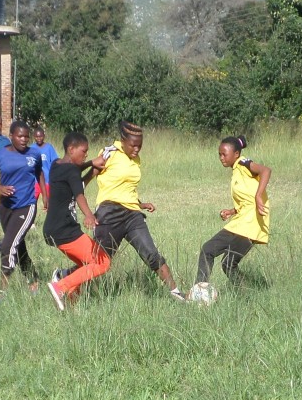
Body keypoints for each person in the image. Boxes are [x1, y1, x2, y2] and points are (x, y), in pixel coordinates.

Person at [91, 121, 184, 300]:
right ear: (123, 141)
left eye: (140, 146)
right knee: (98, 262)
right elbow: (85, 179)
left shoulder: (136, 159)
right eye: (133, 145)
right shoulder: (109, 153)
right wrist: (85, 210)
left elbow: (127, 188)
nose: (136, 149)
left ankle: (177, 294)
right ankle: (66, 279)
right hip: (109, 213)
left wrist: (140, 204)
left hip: (133, 214)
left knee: (151, 254)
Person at [190, 136, 271, 299]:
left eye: (224, 154)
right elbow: (245, 200)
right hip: (242, 221)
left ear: (236, 154)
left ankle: (199, 294)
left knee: (208, 250)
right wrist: (231, 211)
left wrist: (258, 195)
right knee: (227, 263)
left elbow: (266, 170)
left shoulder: (243, 163)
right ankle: (246, 294)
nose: (221, 158)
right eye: (219, 154)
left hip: (251, 223)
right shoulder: (236, 171)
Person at [43, 132, 110, 311]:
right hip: (65, 230)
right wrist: (89, 214)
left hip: (52, 230)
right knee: (103, 262)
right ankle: (60, 286)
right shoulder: (72, 170)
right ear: (71, 149)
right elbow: (79, 194)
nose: (86, 155)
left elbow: (75, 183)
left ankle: (70, 304)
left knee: (85, 266)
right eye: (84, 151)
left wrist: (91, 168)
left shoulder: (56, 166)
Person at [0, 120, 47, 299]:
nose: (23, 140)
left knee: (8, 245)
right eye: (20, 136)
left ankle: (2, 293)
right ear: (11, 136)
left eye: (26, 136)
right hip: (6, 207)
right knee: (18, 246)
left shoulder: (34, 154)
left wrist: (45, 195)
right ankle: (33, 279)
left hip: (26, 206)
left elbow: (39, 174)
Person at [31, 126, 59, 200]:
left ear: (44, 136)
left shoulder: (49, 148)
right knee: (32, 200)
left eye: (40, 136)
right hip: (35, 180)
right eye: (37, 137)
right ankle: (33, 211)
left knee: (48, 200)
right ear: (34, 137)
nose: (39, 138)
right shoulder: (31, 148)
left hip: (47, 179)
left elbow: (55, 161)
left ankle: (49, 211)